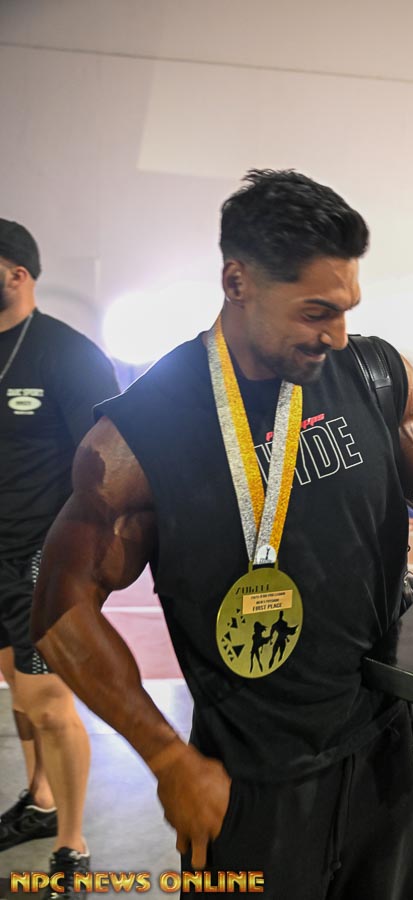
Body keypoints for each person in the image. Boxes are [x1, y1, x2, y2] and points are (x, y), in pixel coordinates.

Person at [31, 172, 413, 900]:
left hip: (381, 754)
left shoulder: (375, 374)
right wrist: (166, 759)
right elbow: (59, 607)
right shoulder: (140, 433)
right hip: (246, 783)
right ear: (237, 282)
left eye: (346, 309)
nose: (337, 334)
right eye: (317, 312)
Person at [0, 220, 119, 896]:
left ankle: (72, 846)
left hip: (40, 559)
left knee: (48, 704)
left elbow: (108, 467)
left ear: (17, 274)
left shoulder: (68, 356)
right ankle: (41, 801)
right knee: (19, 695)